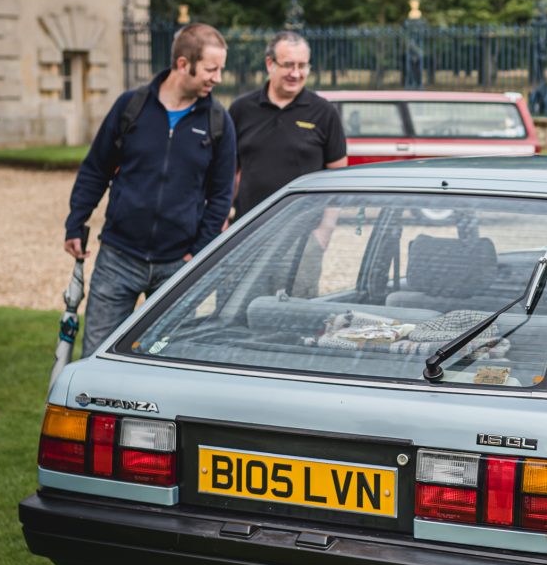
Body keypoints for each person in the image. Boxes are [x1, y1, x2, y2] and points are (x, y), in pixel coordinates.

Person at [64, 23, 236, 356]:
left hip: (177, 266)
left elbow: (220, 197)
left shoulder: (218, 121)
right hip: (117, 259)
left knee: (165, 365)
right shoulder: (131, 108)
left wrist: (196, 253)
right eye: (211, 69)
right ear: (183, 64)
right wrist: (76, 221)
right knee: (96, 358)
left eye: (220, 69)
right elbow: (96, 169)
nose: (217, 78)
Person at [228, 31, 347, 221]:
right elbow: (229, 173)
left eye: (302, 66)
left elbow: (338, 179)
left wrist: (325, 230)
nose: (296, 73)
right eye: (289, 65)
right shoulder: (241, 109)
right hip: (248, 228)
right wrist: (224, 219)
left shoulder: (324, 112)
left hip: (303, 230)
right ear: (270, 64)